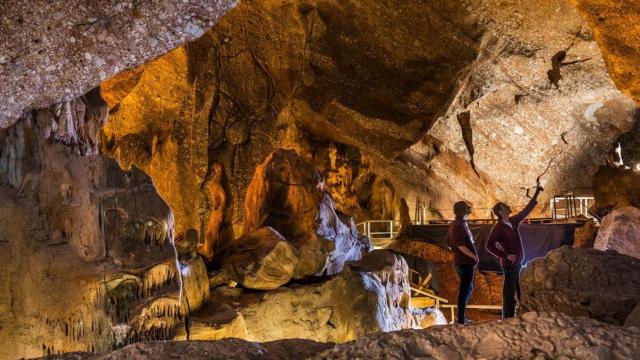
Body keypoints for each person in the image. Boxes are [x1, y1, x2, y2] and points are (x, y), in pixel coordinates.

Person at [486, 184, 543, 319]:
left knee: (519, 290)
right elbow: (489, 245)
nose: (508, 207)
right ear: (500, 211)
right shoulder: (498, 228)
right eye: (505, 206)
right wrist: (506, 255)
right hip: (509, 265)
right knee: (509, 293)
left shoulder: (512, 221)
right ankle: (508, 319)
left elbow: (525, 211)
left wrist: (536, 194)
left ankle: (521, 314)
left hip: (517, 263)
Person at [447, 201, 478, 324]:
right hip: (464, 263)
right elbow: (460, 245)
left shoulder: (458, 224)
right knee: (465, 290)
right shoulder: (458, 225)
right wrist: (473, 256)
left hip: (463, 262)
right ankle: (460, 320)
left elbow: (449, 244)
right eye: (467, 208)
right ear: (464, 210)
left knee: (468, 288)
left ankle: (461, 317)